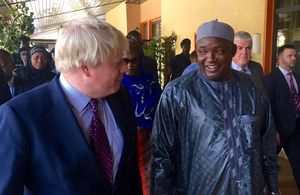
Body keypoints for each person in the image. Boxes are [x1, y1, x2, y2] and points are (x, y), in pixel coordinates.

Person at [0, 17, 142, 194]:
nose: (124, 68)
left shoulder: (120, 96)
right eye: (116, 63)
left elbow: (130, 171)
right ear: (85, 67)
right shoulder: (20, 115)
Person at [151, 20, 280, 195]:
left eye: (219, 51)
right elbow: (162, 154)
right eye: (203, 52)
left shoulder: (253, 89)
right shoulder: (177, 93)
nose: (210, 59)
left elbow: (268, 144)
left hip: (250, 189)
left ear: (232, 51)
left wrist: (272, 188)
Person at [121, 37, 161, 195]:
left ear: (141, 59)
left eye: (134, 60)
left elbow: (160, 110)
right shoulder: (115, 82)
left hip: (148, 139)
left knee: (148, 182)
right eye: (125, 60)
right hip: (123, 138)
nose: (129, 65)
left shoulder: (149, 81)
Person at [263, 44, 300, 191]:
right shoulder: (271, 79)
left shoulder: (297, 77)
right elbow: (269, 107)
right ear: (280, 59)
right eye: (289, 56)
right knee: (269, 165)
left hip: (296, 128)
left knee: (298, 164)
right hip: (280, 131)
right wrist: (274, 130)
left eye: (294, 55)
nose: (293, 58)